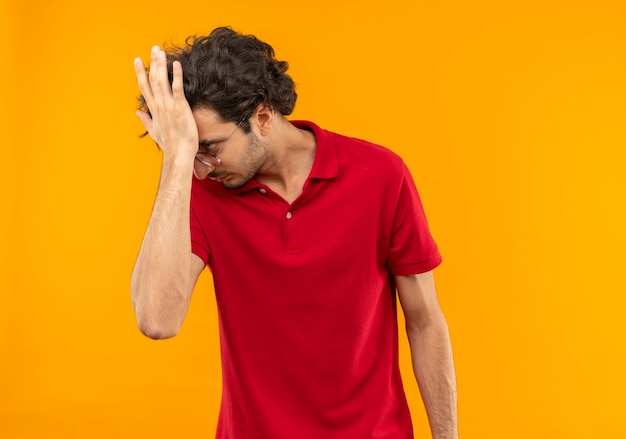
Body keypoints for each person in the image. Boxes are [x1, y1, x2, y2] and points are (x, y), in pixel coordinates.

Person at [131, 26, 458, 439]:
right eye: (188, 153)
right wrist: (176, 160)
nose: (201, 167)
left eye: (209, 148)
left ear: (263, 117)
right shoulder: (200, 191)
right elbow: (157, 320)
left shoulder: (380, 176)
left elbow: (425, 322)